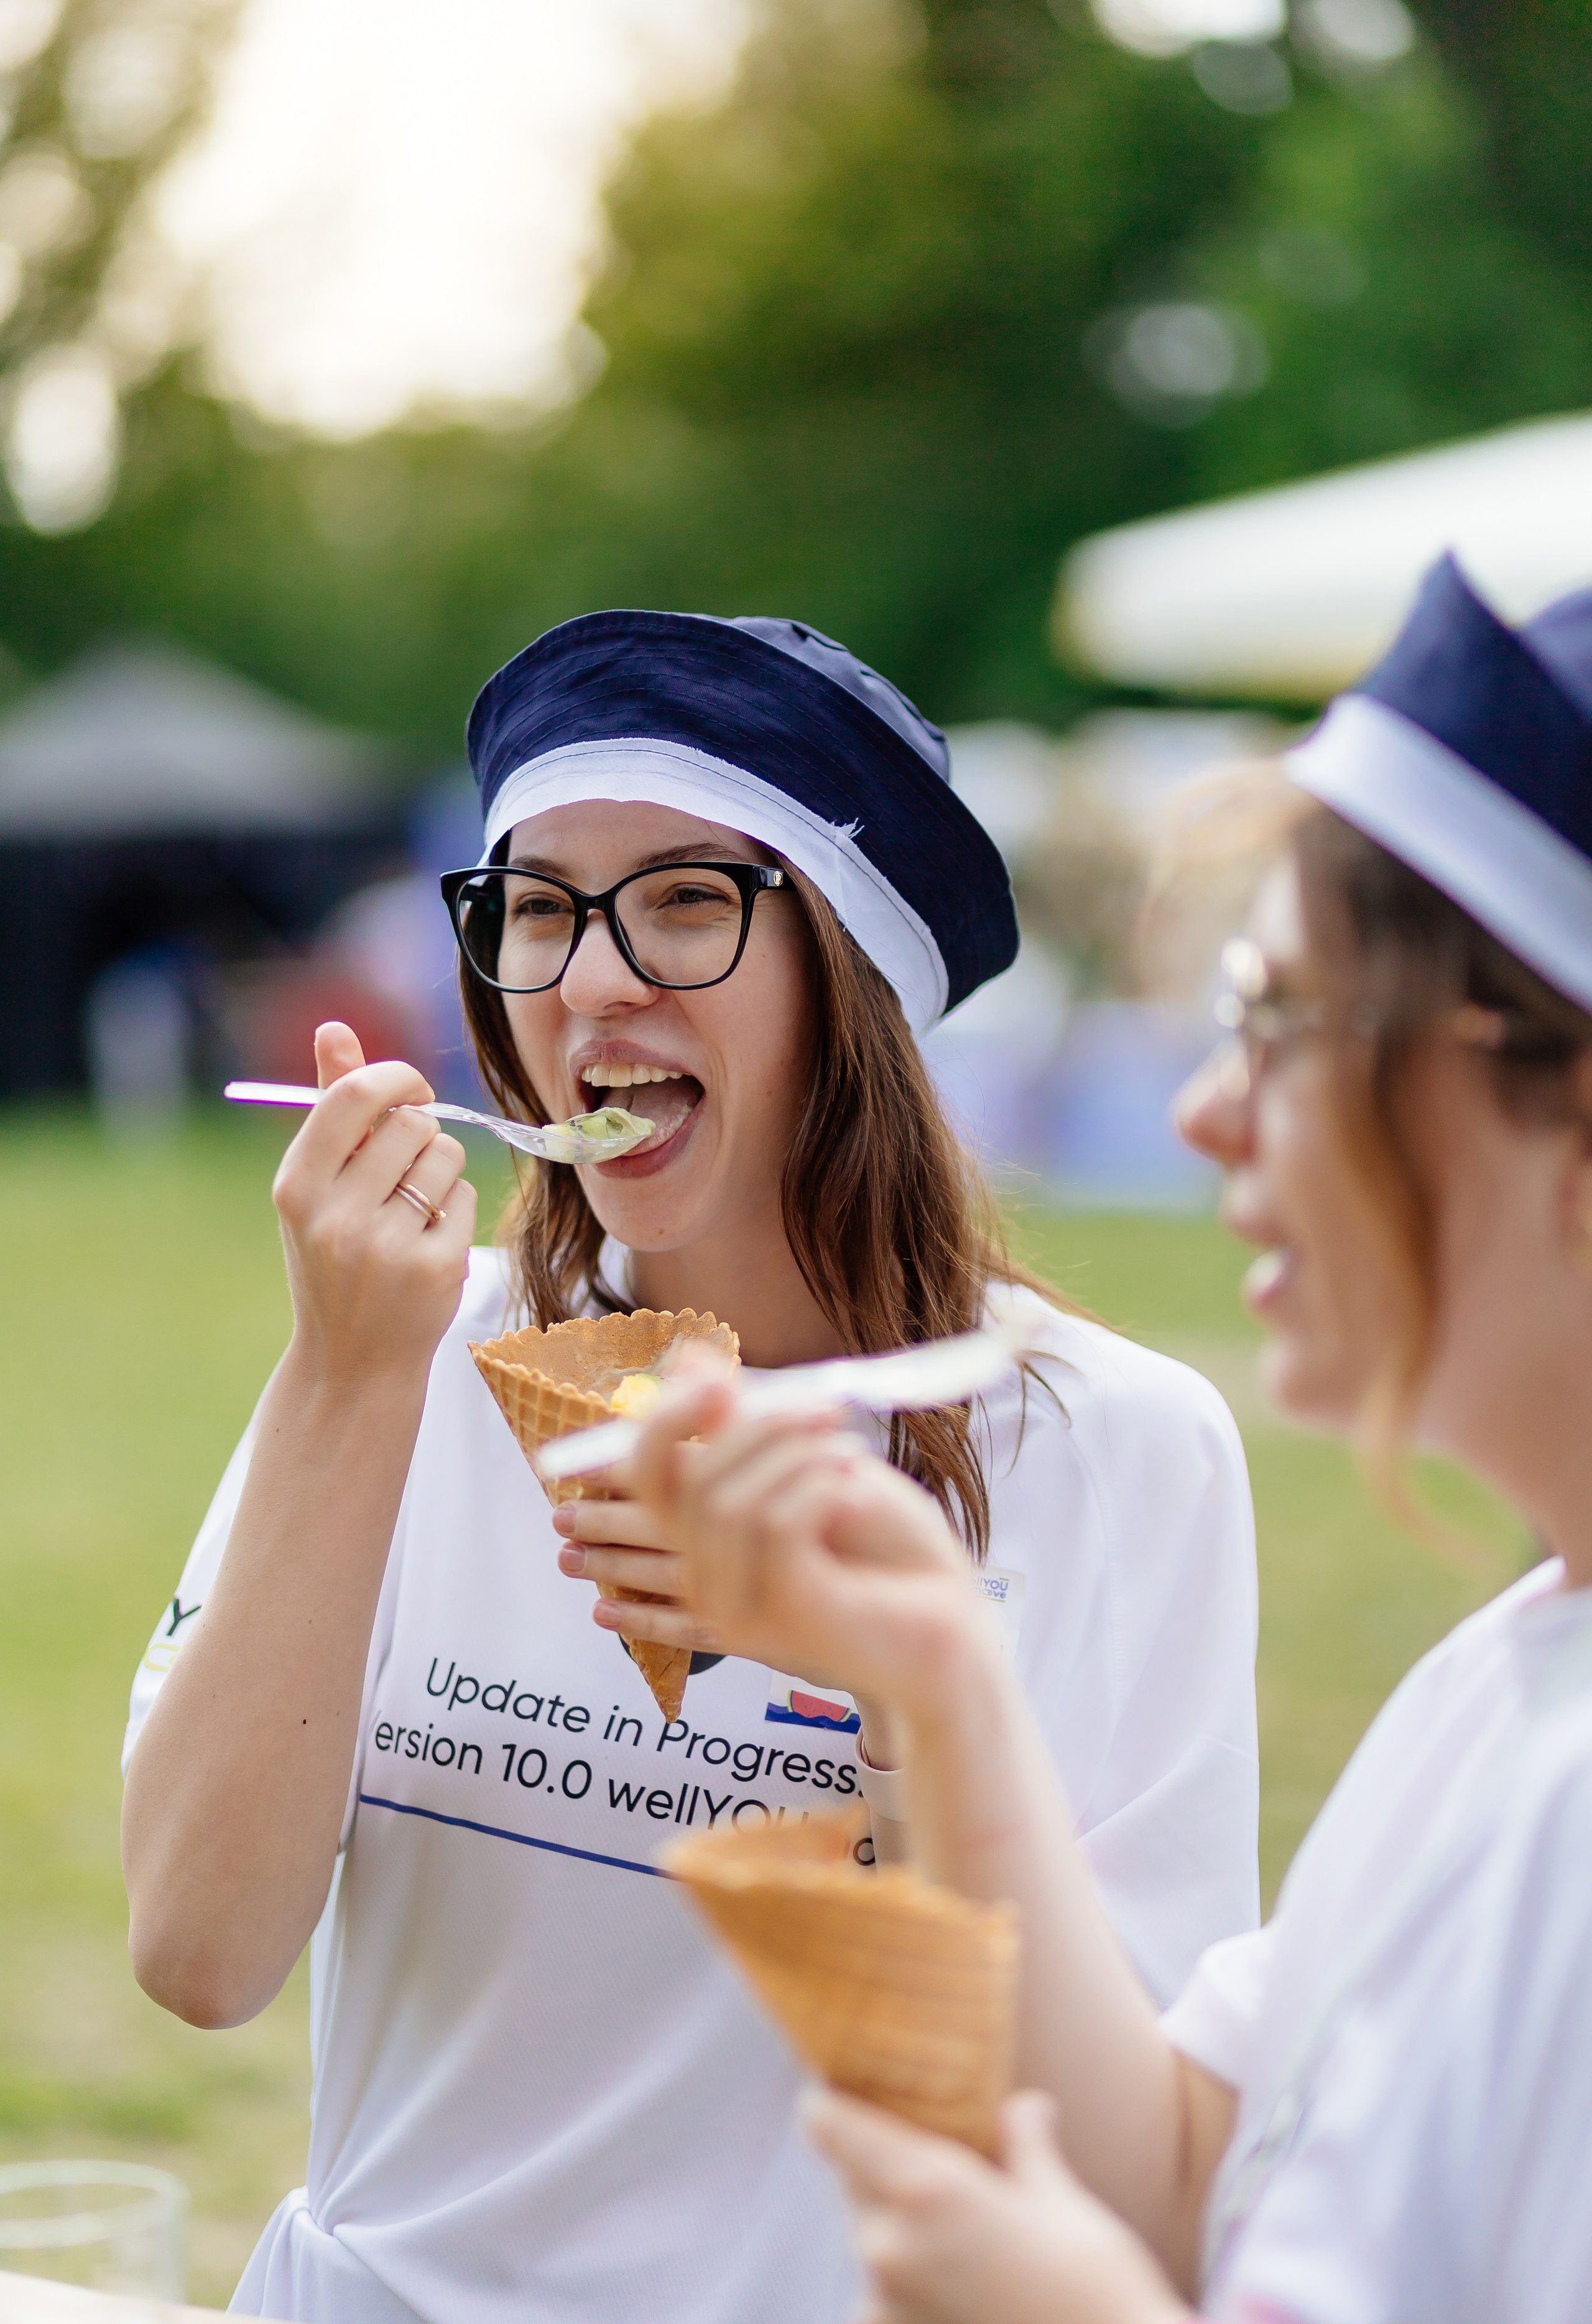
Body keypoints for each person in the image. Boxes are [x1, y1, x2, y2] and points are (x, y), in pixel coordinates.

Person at [119, 610, 1258, 2324]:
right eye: (538, 907)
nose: (590, 978)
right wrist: (346, 1383)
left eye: (685, 899)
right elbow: (198, 1955)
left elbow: (1110, 2169)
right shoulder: (400, 1342)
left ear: (855, 979)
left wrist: (894, 1694)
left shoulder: (1117, 1450)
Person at [618, 557, 1592, 2324]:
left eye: (1288, 1022)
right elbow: (1187, 2167)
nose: (1206, 1112)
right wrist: (939, 1684)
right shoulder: (1499, 1684)